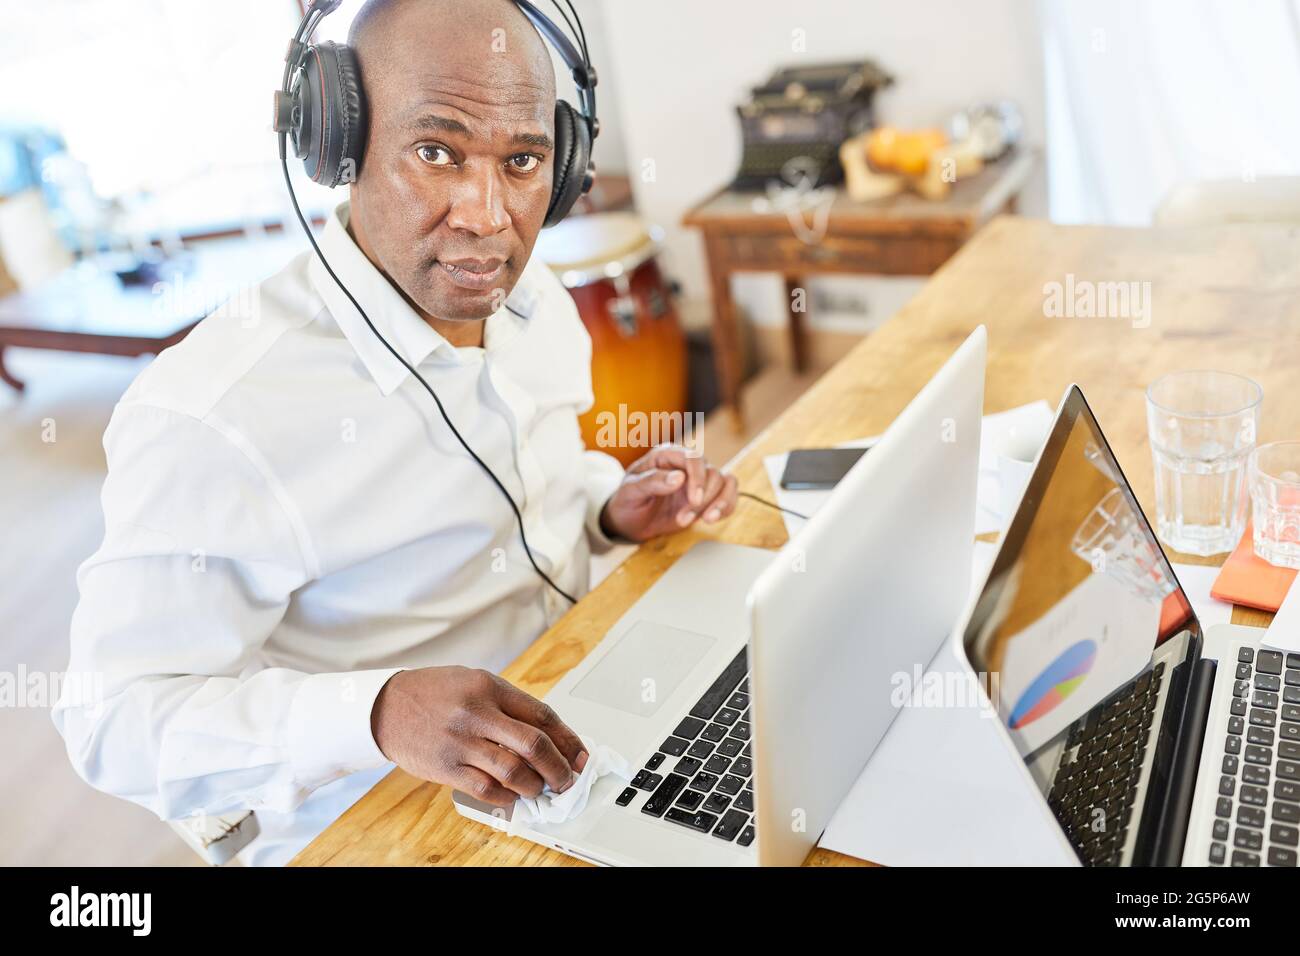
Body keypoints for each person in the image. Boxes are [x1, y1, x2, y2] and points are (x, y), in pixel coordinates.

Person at [52, 0, 737, 865]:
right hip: (387, 819)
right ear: (336, 147)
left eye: (523, 160)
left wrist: (606, 506)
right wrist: (374, 713)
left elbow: (533, 481)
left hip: (581, 717)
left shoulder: (537, 306)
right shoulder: (212, 411)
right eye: (437, 153)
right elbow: (113, 722)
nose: (488, 216)